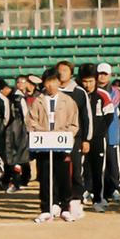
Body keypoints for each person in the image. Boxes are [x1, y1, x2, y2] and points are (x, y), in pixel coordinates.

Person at [27, 67, 80, 222]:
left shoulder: (68, 101)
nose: (50, 85)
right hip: (43, 145)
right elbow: (31, 121)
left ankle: (65, 207)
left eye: (53, 81)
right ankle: (46, 207)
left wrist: (64, 134)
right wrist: (41, 132)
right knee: (44, 176)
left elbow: (74, 123)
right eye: (48, 82)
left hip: (61, 145)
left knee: (63, 176)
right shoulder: (38, 101)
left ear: (59, 82)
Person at [78, 63, 114, 212]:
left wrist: (98, 133)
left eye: (91, 81)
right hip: (81, 139)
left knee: (98, 169)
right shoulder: (78, 94)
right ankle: (81, 196)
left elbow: (109, 116)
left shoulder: (102, 95)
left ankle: (98, 198)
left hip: (98, 139)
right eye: (85, 81)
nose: (88, 85)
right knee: (81, 168)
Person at [57, 61, 92, 200]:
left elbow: (86, 117)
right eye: (59, 70)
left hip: (74, 138)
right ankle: (58, 198)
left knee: (75, 169)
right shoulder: (49, 91)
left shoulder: (79, 92)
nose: (62, 73)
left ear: (71, 73)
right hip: (54, 137)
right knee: (57, 169)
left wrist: (86, 139)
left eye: (65, 70)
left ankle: (76, 197)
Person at [96, 63, 120, 201]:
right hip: (95, 133)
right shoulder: (91, 91)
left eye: (105, 74)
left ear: (110, 75)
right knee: (96, 163)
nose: (102, 76)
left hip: (111, 132)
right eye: (100, 73)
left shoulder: (116, 92)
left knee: (112, 163)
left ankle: (113, 188)